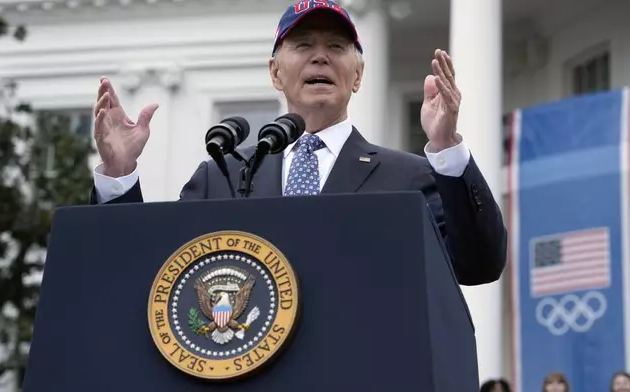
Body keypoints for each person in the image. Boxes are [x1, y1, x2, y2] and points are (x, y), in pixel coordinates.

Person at [91, 0, 507, 286]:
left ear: (357, 76)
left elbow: (478, 265)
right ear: (275, 73)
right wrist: (119, 176)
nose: (320, 57)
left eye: (337, 47)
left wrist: (447, 147)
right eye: (304, 45)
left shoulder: (409, 176)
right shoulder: (223, 174)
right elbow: (146, 275)